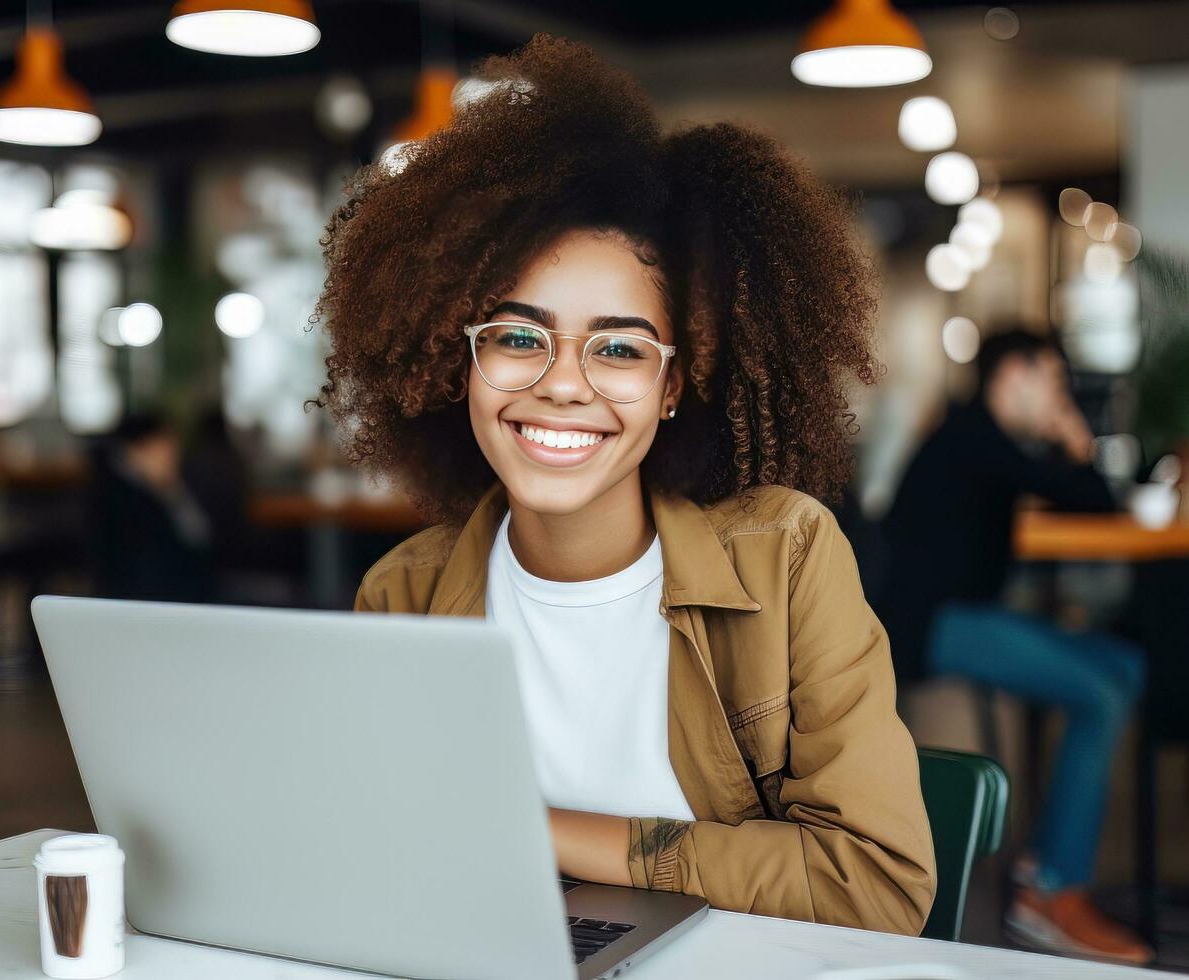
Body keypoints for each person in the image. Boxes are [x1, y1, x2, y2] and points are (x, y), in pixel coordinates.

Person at [313, 36, 936, 934]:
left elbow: (874, 887)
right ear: (462, 363)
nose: (563, 384)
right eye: (519, 337)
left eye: (618, 349)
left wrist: (553, 833)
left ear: (673, 387)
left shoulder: (787, 561)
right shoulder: (403, 593)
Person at [877, 328, 1150, 963]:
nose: (1059, 397)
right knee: (1102, 694)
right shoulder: (979, 438)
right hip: (934, 627)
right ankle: (1051, 892)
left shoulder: (981, 437)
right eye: (1052, 381)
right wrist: (1074, 439)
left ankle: (1045, 870)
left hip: (962, 617)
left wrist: (1064, 442)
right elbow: (1095, 501)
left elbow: (1093, 505)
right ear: (1014, 377)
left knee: (1126, 666)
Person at [89, 413, 214, 603]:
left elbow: (203, 539)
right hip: (152, 604)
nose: (172, 455)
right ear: (135, 451)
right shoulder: (121, 501)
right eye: (162, 447)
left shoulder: (171, 489)